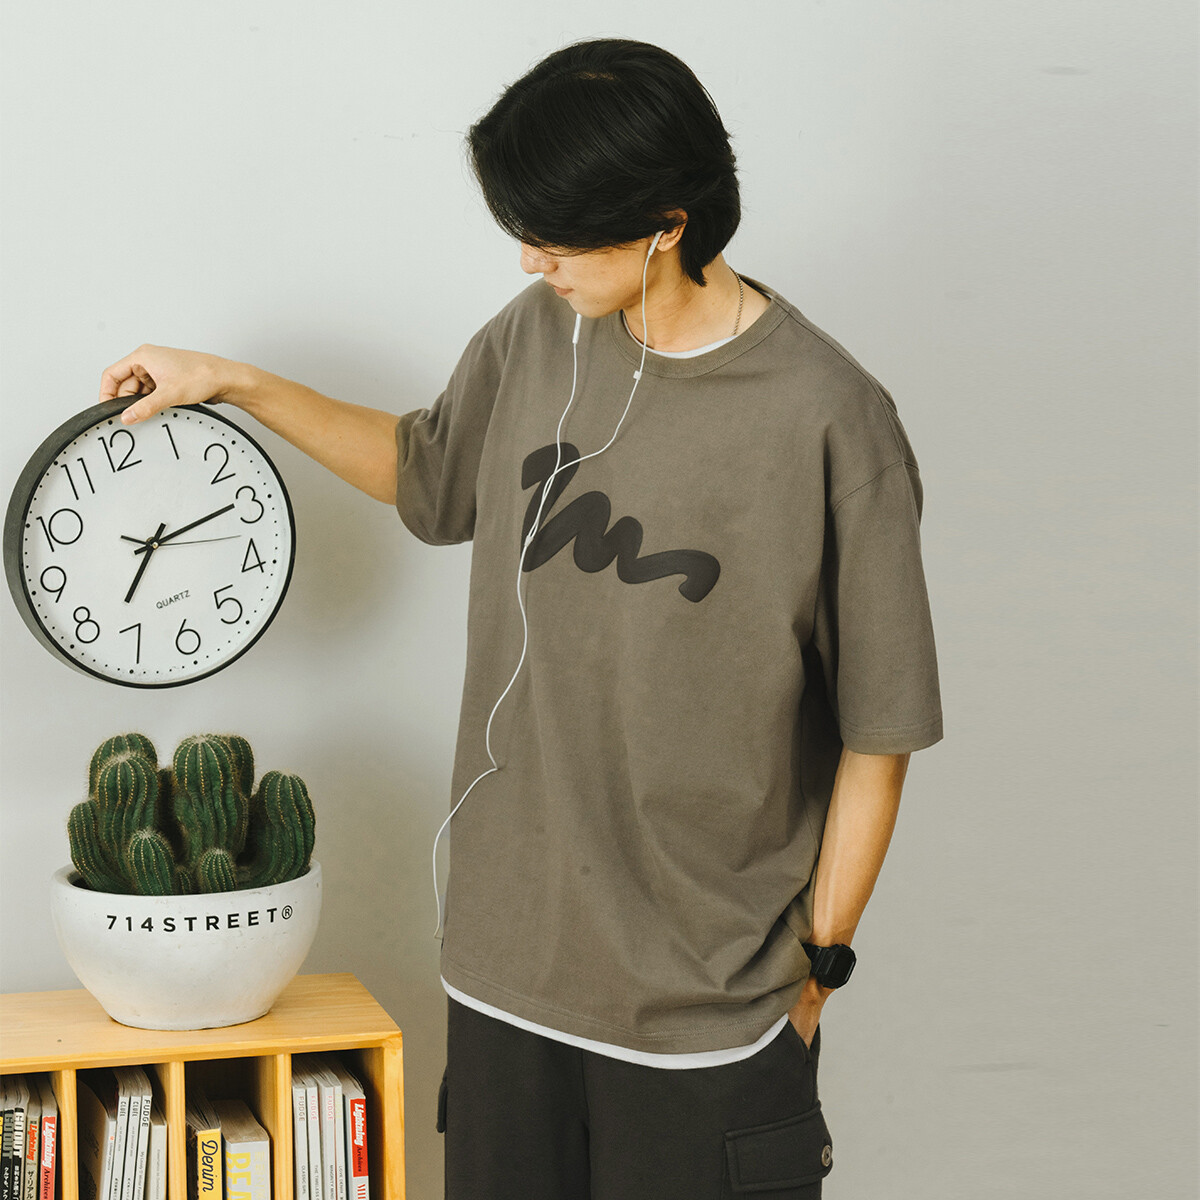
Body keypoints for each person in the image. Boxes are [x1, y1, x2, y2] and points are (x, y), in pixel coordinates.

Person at [103, 38, 942, 1199]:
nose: (529, 258)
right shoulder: (534, 334)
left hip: (705, 1013)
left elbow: (878, 735)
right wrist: (232, 381)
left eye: (557, 235)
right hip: (504, 985)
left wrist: (819, 969)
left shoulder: (830, 420)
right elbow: (426, 473)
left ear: (666, 223)